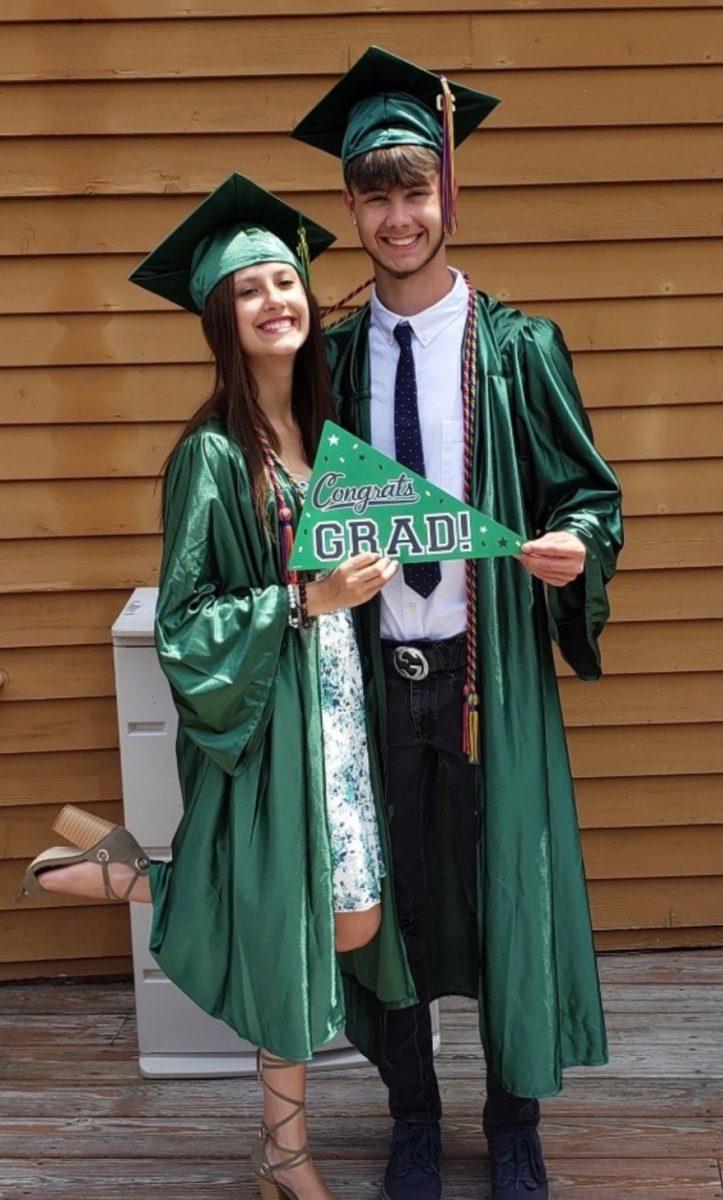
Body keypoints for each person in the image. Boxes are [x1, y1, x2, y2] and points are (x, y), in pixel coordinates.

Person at [15, 171, 417, 1200]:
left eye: (287, 280)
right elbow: (186, 625)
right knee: (290, 933)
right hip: (265, 718)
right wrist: (304, 602)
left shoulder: (324, 440)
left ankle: (137, 874)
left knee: (352, 922)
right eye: (252, 289)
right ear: (221, 319)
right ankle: (284, 1151)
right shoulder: (206, 456)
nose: (278, 299)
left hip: (335, 714)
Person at [292, 47, 624, 1200]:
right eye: (375, 195)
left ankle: (512, 1118)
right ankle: (413, 1118)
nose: (397, 216)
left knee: (499, 891)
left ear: (448, 191)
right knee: (396, 901)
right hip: (375, 675)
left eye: (414, 188)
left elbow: (591, 495)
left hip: (490, 683)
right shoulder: (328, 361)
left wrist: (577, 545)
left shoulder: (517, 349)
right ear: (350, 206)